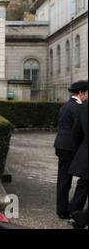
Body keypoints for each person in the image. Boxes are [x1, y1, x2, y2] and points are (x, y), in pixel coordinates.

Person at [54, 80, 88, 219]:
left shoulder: (66, 105)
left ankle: (62, 210)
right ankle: (74, 209)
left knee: (63, 178)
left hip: (60, 144)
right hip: (72, 147)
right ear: (81, 93)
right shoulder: (79, 107)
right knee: (84, 178)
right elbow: (79, 130)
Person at [68, 101, 88, 228]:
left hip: (85, 152)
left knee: (84, 183)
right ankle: (80, 217)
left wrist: (82, 148)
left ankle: (74, 212)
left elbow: (75, 132)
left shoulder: (83, 107)